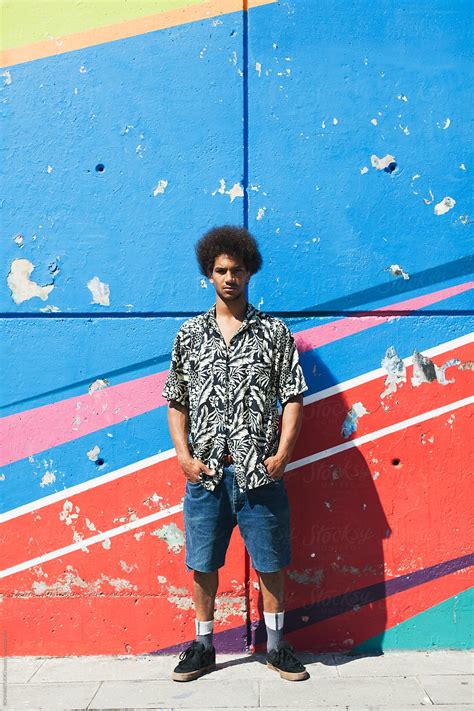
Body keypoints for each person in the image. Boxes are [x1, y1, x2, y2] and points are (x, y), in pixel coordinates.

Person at [162, 225, 309, 682]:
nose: (229, 278)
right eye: (221, 270)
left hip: (259, 474)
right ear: (209, 273)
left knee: (270, 563)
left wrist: (283, 454)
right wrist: (184, 458)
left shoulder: (274, 334)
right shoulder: (189, 335)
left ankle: (277, 647)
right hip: (205, 473)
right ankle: (204, 646)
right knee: (202, 564)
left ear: (250, 272)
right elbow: (176, 400)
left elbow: (293, 396)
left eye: (237, 270)